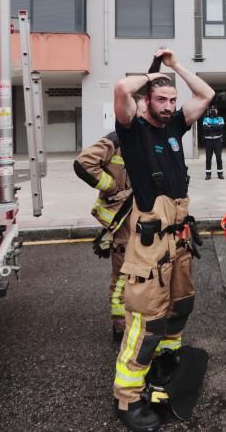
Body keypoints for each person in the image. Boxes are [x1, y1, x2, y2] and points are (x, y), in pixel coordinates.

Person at [112, 49, 215, 432]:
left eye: (173, 100)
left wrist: (174, 68)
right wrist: (152, 71)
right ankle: (126, 397)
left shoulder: (175, 128)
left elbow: (205, 95)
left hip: (180, 239)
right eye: (162, 99)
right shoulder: (132, 130)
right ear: (145, 102)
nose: (170, 106)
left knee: (181, 305)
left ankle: (167, 358)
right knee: (147, 320)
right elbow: (123, 87)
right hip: (150, 246)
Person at [73, 95, 146, 343]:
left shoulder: (147, 138)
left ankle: (142, 318)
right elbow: (84, 163)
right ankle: (120, 326)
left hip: (145, 218)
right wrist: (112, 186)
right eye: (141, 112)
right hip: (124, 222)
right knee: (122, 276)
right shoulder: (115, 139)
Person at [201, 106, 225, 180]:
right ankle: (208, 174)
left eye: (214, 110)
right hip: (208, 141)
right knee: (208, 159)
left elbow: (221, 127)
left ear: (217, 111)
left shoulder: (220, 118)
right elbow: (205, 129)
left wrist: (210, 126)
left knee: (219, 158)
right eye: (211, 110)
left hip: (217, 141)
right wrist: (215, 126)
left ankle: (220, 174)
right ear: (209, 111)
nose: (213, 111)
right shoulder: (206, 119)